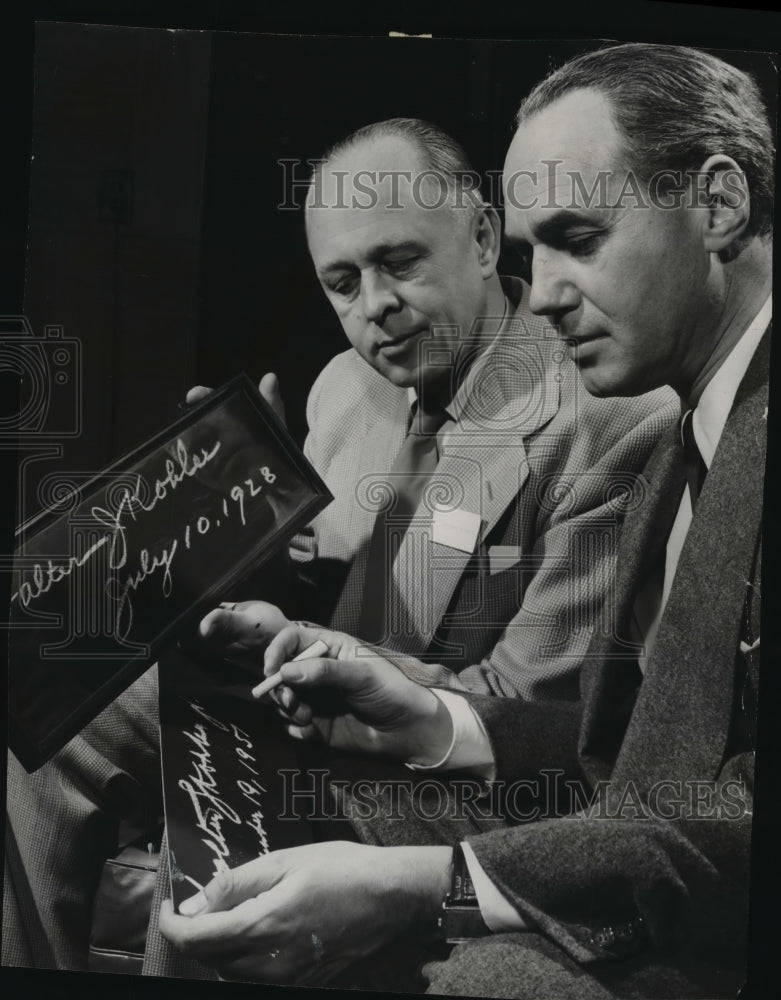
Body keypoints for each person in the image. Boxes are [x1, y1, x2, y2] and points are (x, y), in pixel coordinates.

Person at [156, 43, 772, 998]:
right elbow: (622, 748)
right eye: (537, 253)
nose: (549, 295)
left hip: (683, 903)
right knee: (209, 823)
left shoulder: (628, 420)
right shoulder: (689, 425)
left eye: (578, 238)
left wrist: (430, 886)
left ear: (718, 204)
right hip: (618, 840)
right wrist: (425, 716)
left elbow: (709, 813)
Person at [2, 118, 674, 972]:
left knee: (211, 813)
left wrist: (322, 662)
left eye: (399, 263)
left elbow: (534, 718)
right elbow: (318, 593)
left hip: (450, 777)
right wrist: (241, 524)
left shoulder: (607, 421)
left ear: (480, 237)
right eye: (342, 282)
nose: (374, 307)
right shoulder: (345, 387)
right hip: (309, 714)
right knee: (47, 724)